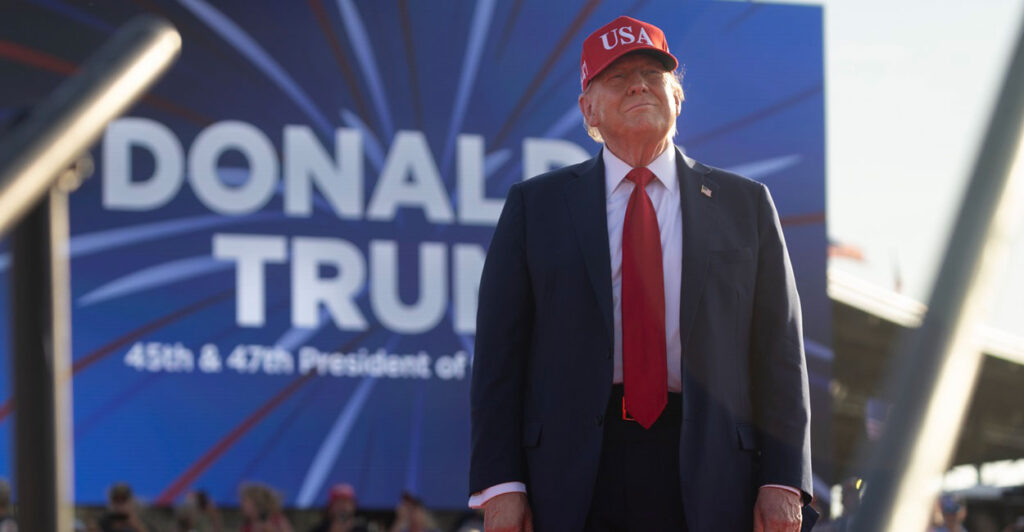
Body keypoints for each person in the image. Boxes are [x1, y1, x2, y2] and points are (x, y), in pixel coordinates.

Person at [469, 14, 814, 532]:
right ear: (589, 111)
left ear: (677, 98)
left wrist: (785, 479)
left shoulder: (746, 204)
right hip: (567, 476)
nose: (637, 85)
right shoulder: (534, 207)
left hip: (715, 471)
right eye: (616, 76)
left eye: (652, 75)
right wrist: (500, 486)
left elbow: (779, 352)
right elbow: (500, 356)